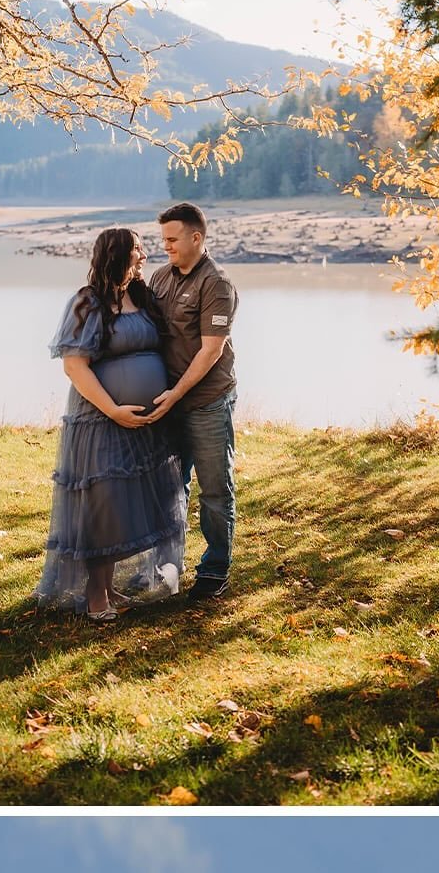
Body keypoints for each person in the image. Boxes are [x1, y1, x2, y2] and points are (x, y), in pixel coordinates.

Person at [35, 227, 185, 622]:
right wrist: (113, 410)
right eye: (137, 249)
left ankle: (108, 586)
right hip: (100, 421)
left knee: (127, 506)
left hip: (148, 424)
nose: (144, 255)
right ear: (117, 254)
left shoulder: (141, 297)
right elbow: (74, 365)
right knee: (103, 507)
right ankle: (94, 595)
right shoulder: (88, 302)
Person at [146, 202, 238, 602]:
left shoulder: (216, 284)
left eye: (172, 239)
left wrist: (176, 394)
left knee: (215, 490)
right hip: (167, 403)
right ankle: (169, 569)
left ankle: (215, 570)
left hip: (206, 402)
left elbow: (211, 351)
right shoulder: (159, 277)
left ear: (196, 238)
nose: (165, 246)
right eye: (162, 239)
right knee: (170, 488)